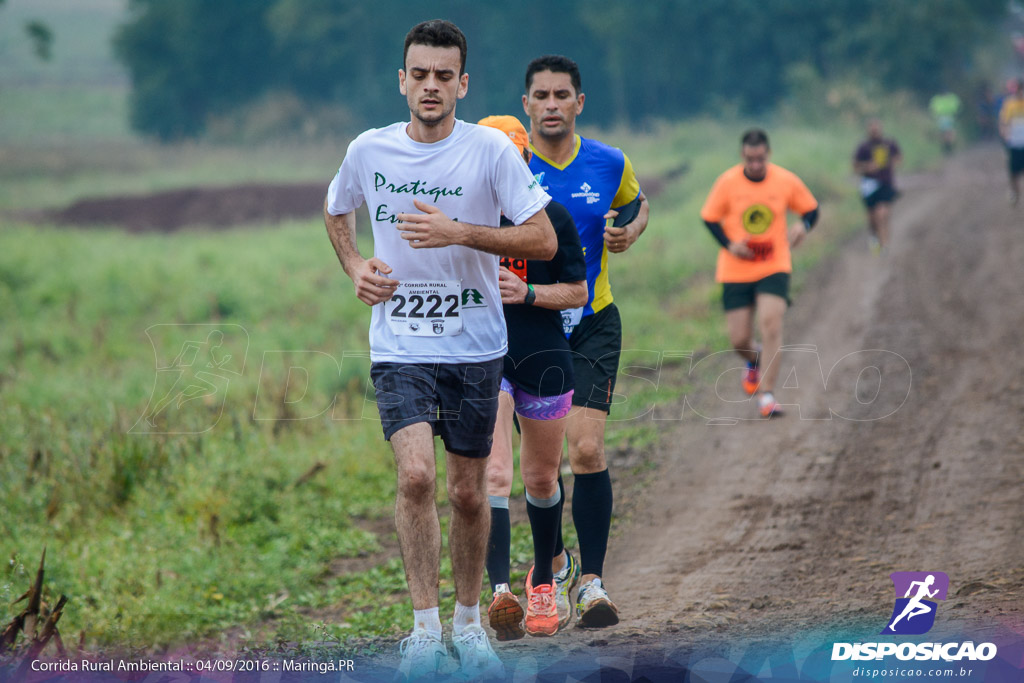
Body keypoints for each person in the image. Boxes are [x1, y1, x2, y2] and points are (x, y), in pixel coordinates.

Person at [323, 20, 556, 681]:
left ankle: (466, 620)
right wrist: (353, 267)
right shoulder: (369, 149)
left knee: (467, 492)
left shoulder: (490, 151)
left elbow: (540, 241)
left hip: (476, 343)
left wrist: (460, 231)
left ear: (463, 83)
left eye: (442, 76)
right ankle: (424, 631)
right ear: (402, 81)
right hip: (399, 342)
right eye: (418, 74)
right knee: (416, 476)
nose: (430, 86)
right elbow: (336, 207)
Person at [522, 54, 650, 628]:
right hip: (531, 326)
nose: (551, 105)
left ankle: (593, 584)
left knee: (588, 451)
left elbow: (636, 203)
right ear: (526, 104)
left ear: (579, 103)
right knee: (541, 471)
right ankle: (552, 563)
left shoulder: (608, 161)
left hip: (594, 318)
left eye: (561, 95)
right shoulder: (507, 161)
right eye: (541, 96)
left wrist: (629, 231)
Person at [476, 116, 588, 640]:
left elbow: (578, 292)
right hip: (484, 357)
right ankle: (501, 593)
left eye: (510, 159)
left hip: (542, 354)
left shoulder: (553, 218)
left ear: (524, 161)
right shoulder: (463, 220)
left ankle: (544, 577)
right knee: (495, 474)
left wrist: (527, 295)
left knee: (541, 478)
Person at [700, 129, 819, 418]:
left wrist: (803, 226)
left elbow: (811, 210)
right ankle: (754, 361)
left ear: (768, 154)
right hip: (735, 269)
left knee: (771, 326)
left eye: (760, 158)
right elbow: (710, 218)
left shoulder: (785, 180)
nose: (755, 164)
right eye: (750, 159)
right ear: (743, 155)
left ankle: (767, 395)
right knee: (739, 340)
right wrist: (730, 245)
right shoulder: (727, 182)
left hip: (774, 265)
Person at [852, 119, 902, 253]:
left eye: (876, 128)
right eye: (872, 129)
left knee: (882, 213)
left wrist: (890, 162)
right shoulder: (864, 147)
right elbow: (855, 166)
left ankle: (885, 244)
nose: (874, 131)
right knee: (872, 217)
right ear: (868, 130)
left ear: (880, 129)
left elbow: (898, 158)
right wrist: (867, 167)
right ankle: (875, 237)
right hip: (869, 186)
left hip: (886, 183)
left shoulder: (889, 144)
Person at [998, 78, 1024, 207]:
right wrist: (1004, 135)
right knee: (1013, 172)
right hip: (1014, 142)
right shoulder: (1010, 105)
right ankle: (1014, 192)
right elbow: (1004, 122)